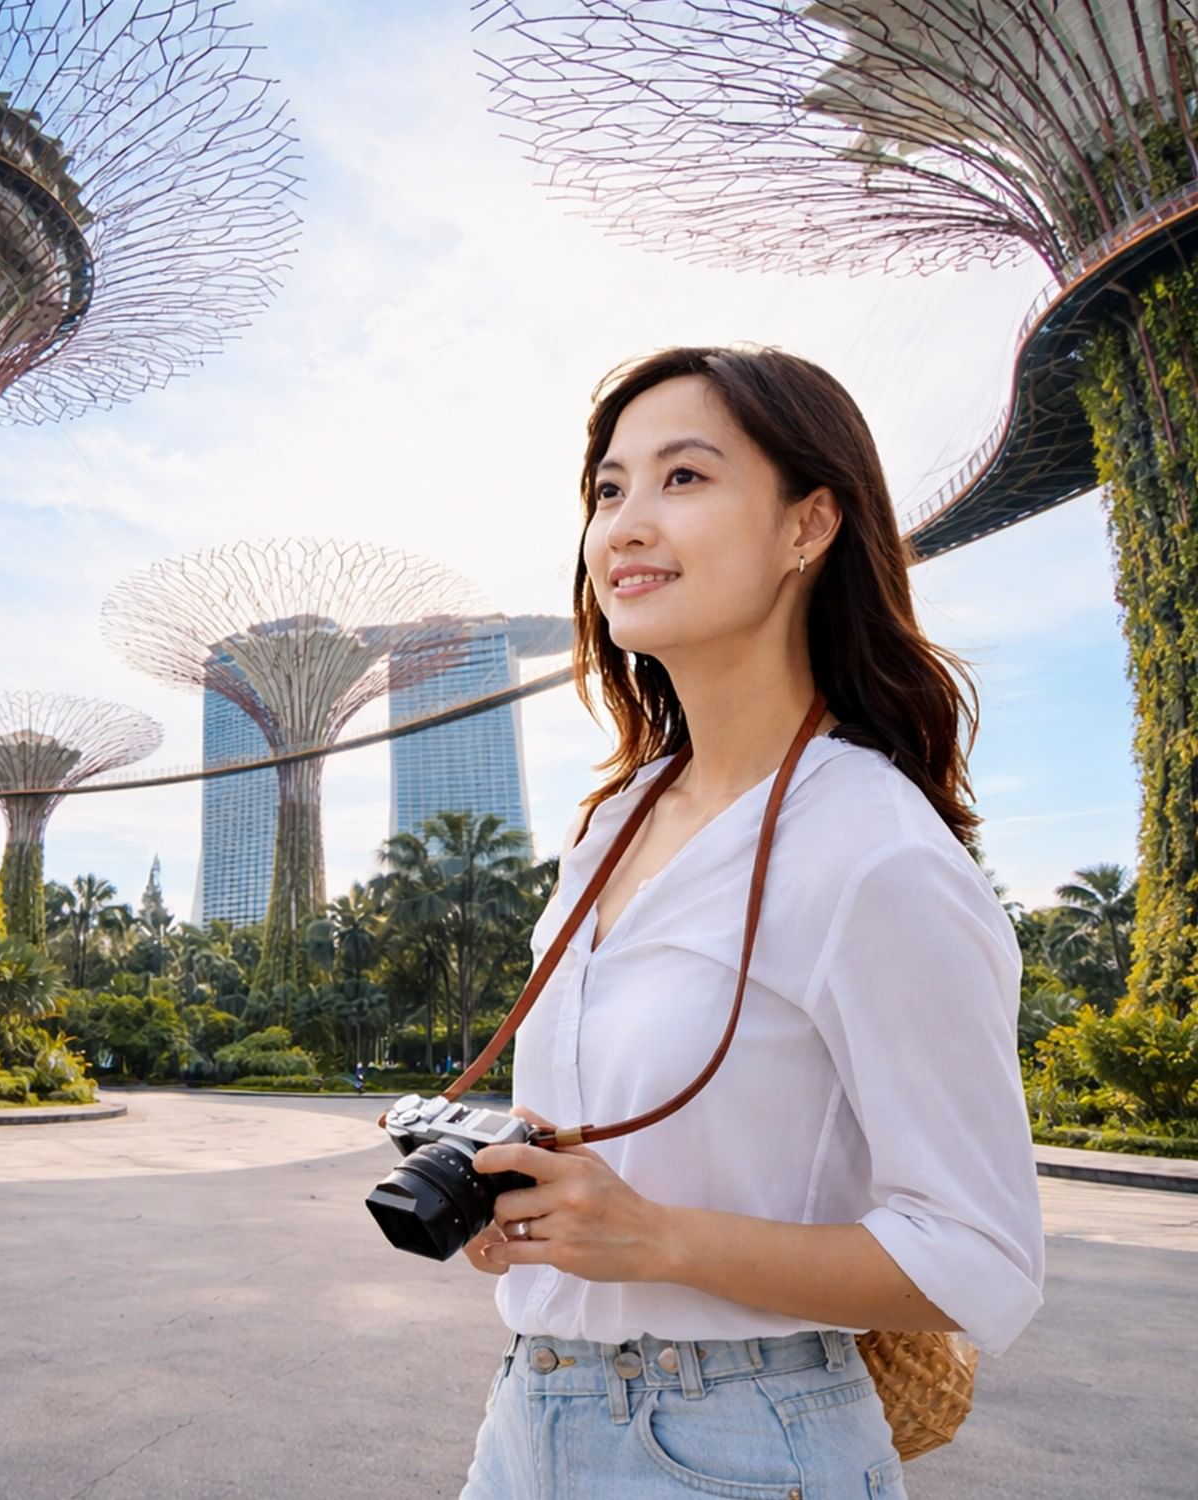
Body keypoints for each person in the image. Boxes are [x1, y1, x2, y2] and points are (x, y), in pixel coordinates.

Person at [457, 348, 1042, 1498]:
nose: (623, 524)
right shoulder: (612, 821)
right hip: (529, 1414)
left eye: (683, 478)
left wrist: (654, 1239)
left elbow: (978, 1256)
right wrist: (532, 1192)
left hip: (736, 1441)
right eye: (607, 490)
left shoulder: (873, 849)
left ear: (806, 526)